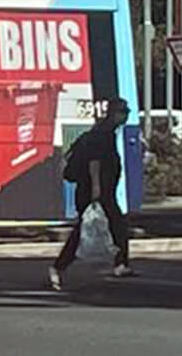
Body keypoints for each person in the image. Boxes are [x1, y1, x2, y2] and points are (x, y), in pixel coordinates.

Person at [51, 97, 133, 290]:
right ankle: (58, 267)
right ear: (114, 114)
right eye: (123, 113)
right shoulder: (102, 135)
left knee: (115, 224)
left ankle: (121, 263)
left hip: (101, 192)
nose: (125, 117)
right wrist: (96, 189)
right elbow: (94, 163)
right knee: (88, 230)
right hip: (95, 192)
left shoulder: (105, 132)